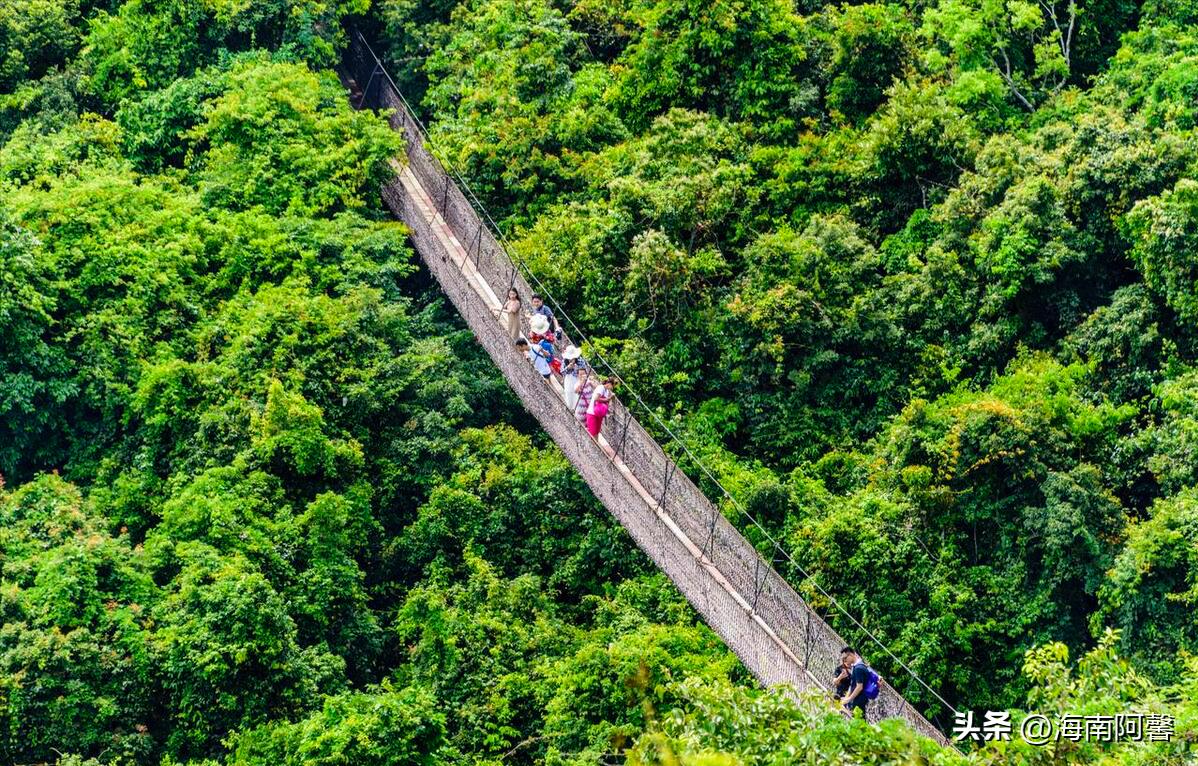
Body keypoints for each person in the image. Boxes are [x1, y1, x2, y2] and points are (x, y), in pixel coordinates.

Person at [839, 647, 877, 718]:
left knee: (858, 721)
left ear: (851, 655)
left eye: (845, 658)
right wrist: (846, 697)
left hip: (859, 699)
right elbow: (852, 685)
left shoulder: (858, 668)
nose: (844, 661)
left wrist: (849, 699)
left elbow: (859, 687)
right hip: (858, 699)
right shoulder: (859, 666)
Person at [561, 345, 588, 410]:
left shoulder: (580, 361)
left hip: (577, 379)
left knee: (577, 395)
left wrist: (576, 368)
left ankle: (576, 409)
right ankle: (569, 406)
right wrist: (568, 368)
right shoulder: (565, 361)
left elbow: (584, 372)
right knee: (568, 392)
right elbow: (562, 372)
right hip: (568, 378)